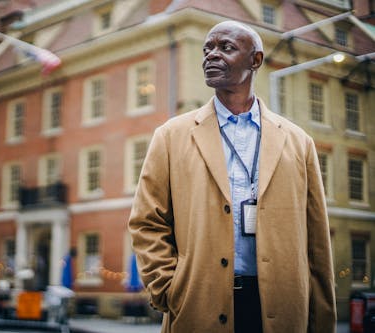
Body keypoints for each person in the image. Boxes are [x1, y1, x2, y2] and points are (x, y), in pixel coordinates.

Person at [128, 20, 336, 333]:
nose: (211, 55)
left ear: (256, 60)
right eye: (207, 49)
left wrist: (321, 320)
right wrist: (169, 289)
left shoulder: (298, 141)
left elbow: (317, 241)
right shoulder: (171, 136)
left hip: (283, 308)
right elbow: (146, 222)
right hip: (197, 305)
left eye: (226, 48)